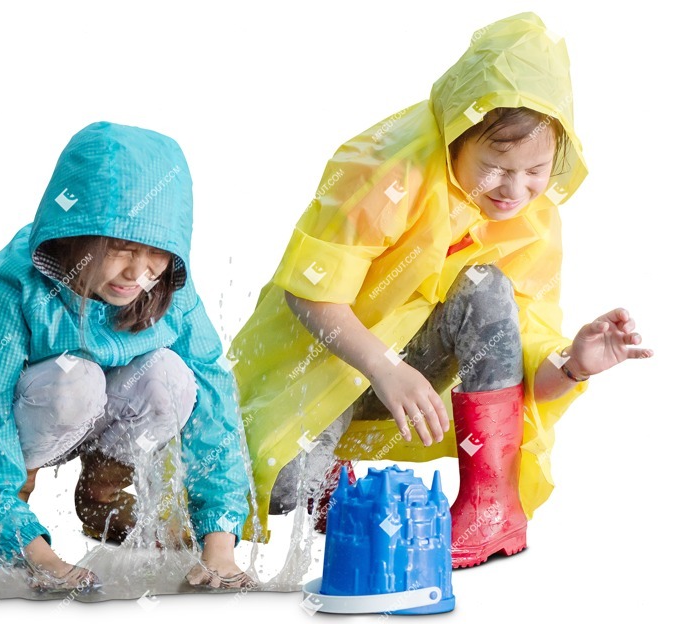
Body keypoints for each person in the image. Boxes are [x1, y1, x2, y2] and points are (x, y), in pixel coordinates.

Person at [228, 12, 653, 567]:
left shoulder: (534, 219)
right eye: (496, 166)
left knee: (485, 284)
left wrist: (572, 364)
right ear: (456, 135)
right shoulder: (384, 167)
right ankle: (326, 473)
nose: (516, 189)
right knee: (283, 488)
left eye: (536, 169)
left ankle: (492, 508)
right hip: (324, 359)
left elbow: (522, 368)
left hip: (410, 368)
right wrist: (383, 365)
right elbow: (307, 292)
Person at [0, 121, 254, 591]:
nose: (137, 274)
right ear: (77, 234)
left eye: (155, 255)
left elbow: (214, 403)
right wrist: (32, 552)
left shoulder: (167, 288)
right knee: (74, 380)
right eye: (120, 249)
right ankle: (6, 500)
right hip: (26, 418)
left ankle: (102, 492)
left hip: (100, 416)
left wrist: (219, 545)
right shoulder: (8, 289)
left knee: (173, 377)